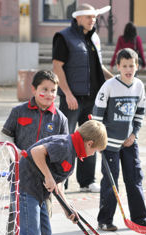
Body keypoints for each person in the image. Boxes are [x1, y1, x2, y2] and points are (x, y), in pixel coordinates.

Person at [18, 120, 107, 235]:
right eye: (95, 151)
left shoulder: (72, 150)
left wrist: (68, 208)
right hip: (27, 188)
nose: (92, 154)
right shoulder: (65, 145)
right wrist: (48, 177)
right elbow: (36, 152)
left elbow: (57, 179)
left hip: (40, 192)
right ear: (89, 143)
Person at [0, 70, 68, 235]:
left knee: (43, 226)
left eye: (53, 91)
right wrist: (15, 154)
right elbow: (5, 136)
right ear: (34, 90)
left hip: (45, 182)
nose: (48, 94)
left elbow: (63, 149)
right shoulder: (19, 112)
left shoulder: (60, 119)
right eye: (44, 90)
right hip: (20, 179)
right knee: (18, 222)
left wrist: (58, 180)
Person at [52, 3, 113, 193]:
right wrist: (68, 94)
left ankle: (87, 180)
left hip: (92, 98)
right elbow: (57, 67)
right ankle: (61, 179)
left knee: (91, 138)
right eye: (89, 17)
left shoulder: (94, 37)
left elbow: (97, 66)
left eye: (94, 17)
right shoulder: (63, 37)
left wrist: (115, 80)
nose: (93, 20)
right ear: (78, 18)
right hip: (72, 98)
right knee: (66, 138)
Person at [92, 48, 146, 232]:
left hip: (129, 142)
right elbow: (97, 116)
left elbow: (140, 113)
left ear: (137, 66)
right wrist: (99, 140)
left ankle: (140, 218)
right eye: (124, 66)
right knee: (110, 181)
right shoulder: (109, 86)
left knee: (134, 178)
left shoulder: (139, 85)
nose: (128, 69)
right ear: (117, 66)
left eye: (131, 65)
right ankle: (105, 219)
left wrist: (135, 134)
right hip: (110, 144)